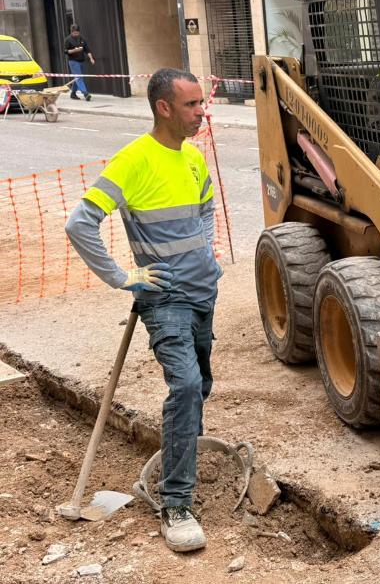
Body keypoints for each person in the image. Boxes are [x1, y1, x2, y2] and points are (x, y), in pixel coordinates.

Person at [65, 68, 221, 552]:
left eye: (201, 103)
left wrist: (208, 258)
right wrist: (122, 276)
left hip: (203, 291)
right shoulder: (133, 160)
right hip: (165, 297)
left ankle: (180, 455)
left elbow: (206, 209)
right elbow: (80, 223)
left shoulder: (193, 158)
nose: (202, 112)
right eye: (193, 105)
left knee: (202, 387)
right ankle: (176, 502)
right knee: (187, 385)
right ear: (164, 107)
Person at [64, 24, 96, 101]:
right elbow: (65, 51)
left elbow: (87, 49)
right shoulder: (68, 40)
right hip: (73, 61)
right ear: (71, 32)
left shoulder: (81, 38)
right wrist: (74, 50)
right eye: (74, 33)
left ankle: (73, 93)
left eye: (77, 33)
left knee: (77, 78)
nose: (76, 34)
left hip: (81, 61)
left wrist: (91, 58)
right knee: (79, 77)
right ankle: (85, 93)